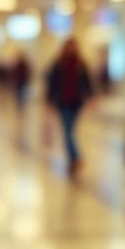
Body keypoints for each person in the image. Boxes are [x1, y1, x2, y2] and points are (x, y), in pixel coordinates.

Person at [46, 38, 93, 178]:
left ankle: (72, 161)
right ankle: (77, 157)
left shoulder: (81, 64)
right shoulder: (58, 64)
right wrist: (49, 101)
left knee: (70, 131)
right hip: (63, 102)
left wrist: (91, 97)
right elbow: (52, 83)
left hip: (76, 103)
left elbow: (87, 82)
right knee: (67, 131)